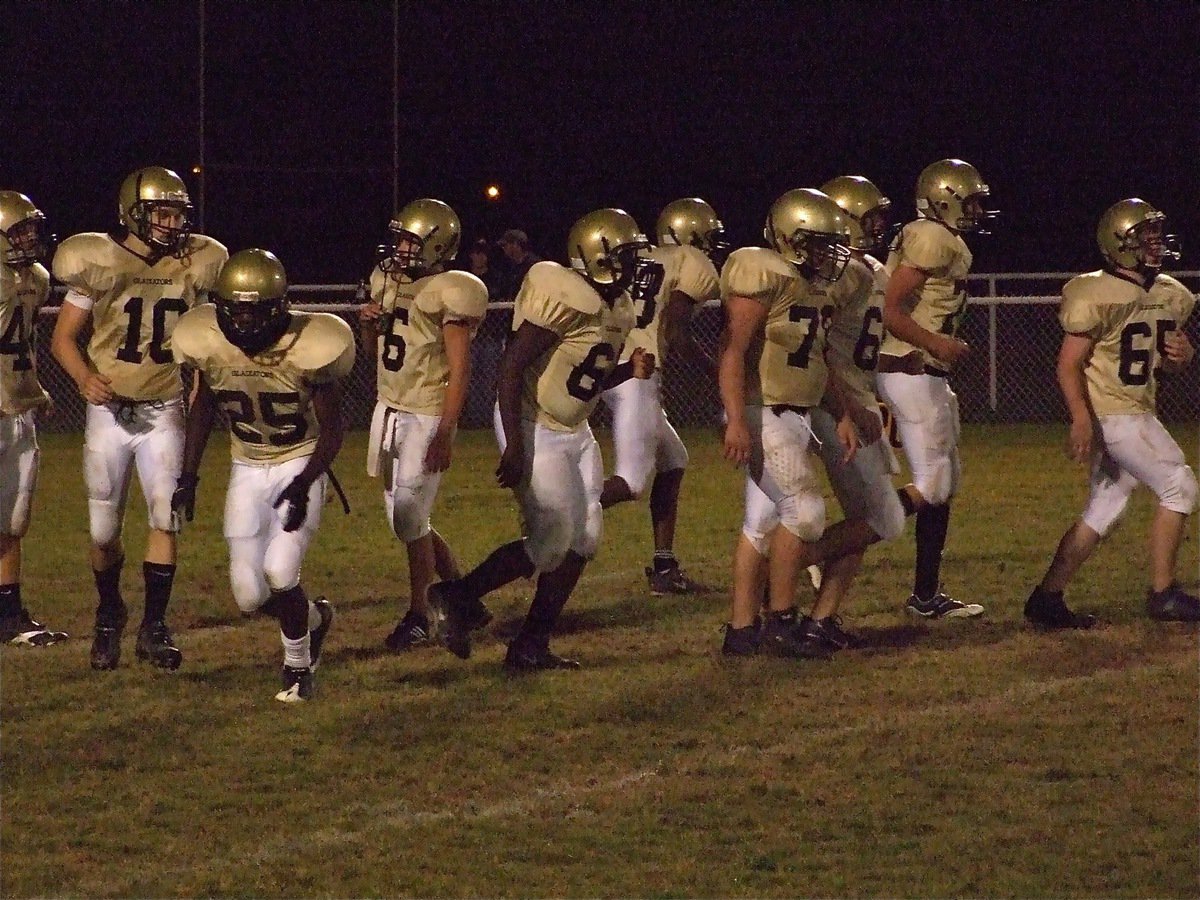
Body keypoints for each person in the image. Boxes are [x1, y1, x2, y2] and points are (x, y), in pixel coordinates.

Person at [428, 208, 655, 670]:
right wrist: (513, 442)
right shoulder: (565, 294)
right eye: (626, 256)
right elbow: (511, 368)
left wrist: (627, 372)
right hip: (535, 425)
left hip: (576, 429)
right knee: (551, 541)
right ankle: (454, 595)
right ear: (597, 256)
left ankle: (531, 643)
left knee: (585, 540)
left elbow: (585, 379)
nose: (634, 267)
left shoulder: (618, 306)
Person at [51, 166, 227, 670]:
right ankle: (110, 611)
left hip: (163, 408)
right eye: (162, 213)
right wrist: (84, 376)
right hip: (108, 411)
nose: (173, 223)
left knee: (163, 516)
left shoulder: (197, 261)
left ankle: (154, 626)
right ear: (133, 213)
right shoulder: (98, 260)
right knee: (104, 532)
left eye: (178, 213)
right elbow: (64, 337)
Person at [171, 249, 355, 702]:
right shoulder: (210, 342)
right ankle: (313, 619)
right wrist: (187, 477)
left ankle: (297, 667)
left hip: (300, 458)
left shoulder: (307, 346)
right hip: (247, 464)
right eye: (238, 310)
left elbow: (334, 429)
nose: (247, 322)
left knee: (280, 569)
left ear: (279, 308)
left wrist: (305, 482)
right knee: (249, 595)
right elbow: (204, 407)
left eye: (257, 310)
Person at [719, 188, 881, 657]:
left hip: (796, 413)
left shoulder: (813, 286)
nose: (827, 254)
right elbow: (733, 352)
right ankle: (782, 621)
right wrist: (735, 420)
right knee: (804, 511)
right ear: (790, 238)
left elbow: (816, 358)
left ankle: (741, 630)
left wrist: (842, 412)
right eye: (817, 243)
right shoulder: (761, 272)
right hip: (762, 410)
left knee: (761, 522)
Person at [1025, 199, 1198, 627]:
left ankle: (1046, 599)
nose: (1156, 246)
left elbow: (1167, 362)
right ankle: (1163, 594)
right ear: (1120, 244)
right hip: (1116, 414)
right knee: (1180, 486)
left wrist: (1183, 356)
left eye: (1158, 236)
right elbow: (1068, 365)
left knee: (1106, 504)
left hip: (1133, 408)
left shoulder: (1168, 293)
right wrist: (1080, 417)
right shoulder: (1095, 292)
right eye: (1146, 238)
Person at [358, 200, 488, 650]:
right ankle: (463, 594)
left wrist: (445, 431)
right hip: (390, 405)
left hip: (426, 410)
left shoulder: (450, 290)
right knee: (407, 519)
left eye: (412, 241)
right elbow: (375, 346)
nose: (402, 249)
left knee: (409, 517)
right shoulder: (387, 279)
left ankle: (419, 613)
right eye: (401, 239)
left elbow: (460, 368)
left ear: (437, 246)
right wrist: (368, 325)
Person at [874, 158, 995, 620]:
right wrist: (936, 342)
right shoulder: (931, 236)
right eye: (971, 202)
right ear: (944, 199)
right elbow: (890, 308)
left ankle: (926, 595)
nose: (977, 212)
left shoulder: (942, 239)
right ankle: (832, 544)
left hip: (923, 372)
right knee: (933, 483)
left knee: (946, 484)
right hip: (912, 368)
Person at [598, 198, 722, 595]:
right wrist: (721, 376)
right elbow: (679, 334)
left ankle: (664, 567)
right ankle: (559, 511)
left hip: (610, 368)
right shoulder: (690, 261)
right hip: (637, 372)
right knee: (632, 481)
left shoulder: (640, 257)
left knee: (674, 460)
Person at [0, 191, 68, 646]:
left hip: (18, 410)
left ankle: (8, 615)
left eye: (30, 229)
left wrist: (36, 390)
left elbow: (26, 342)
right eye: (19, 229)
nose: (29, 238)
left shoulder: (36, 278)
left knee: (12, 517)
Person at [494, 228, 541, 301]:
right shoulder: (509, 266)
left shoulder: (534, 265)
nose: (503, 248)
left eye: (505, 245)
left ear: (515, 244)